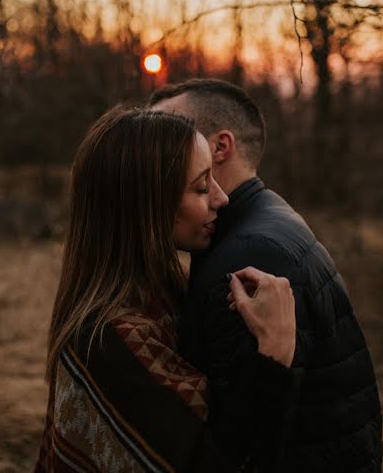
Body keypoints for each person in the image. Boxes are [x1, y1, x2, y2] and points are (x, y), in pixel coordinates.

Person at [36, 106, 299, 472]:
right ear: (148, 205)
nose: (221, 199)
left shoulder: (166, 292)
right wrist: (275, 353)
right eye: (202, 186)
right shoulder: (107, 341)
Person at [150, 79, 383, 472]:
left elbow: (243, 443)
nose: (154, 149)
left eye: (170, 136)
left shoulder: (247, 258)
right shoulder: (260, 217)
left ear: (220, 147)